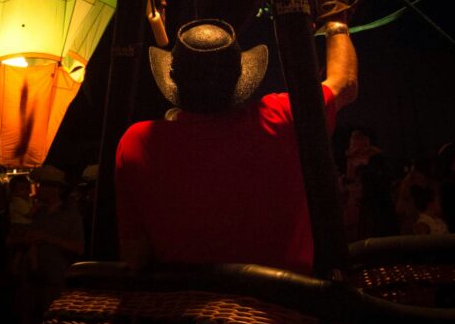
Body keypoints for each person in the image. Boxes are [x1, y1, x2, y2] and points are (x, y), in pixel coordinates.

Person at [115, 15, 356, 274]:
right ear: (240, 78)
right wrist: (335, 20)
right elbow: (344, 84)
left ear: (174, 82)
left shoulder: (138, 141)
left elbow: (135, 255)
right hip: (283, 307)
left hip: (179, 308)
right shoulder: (283, 116)